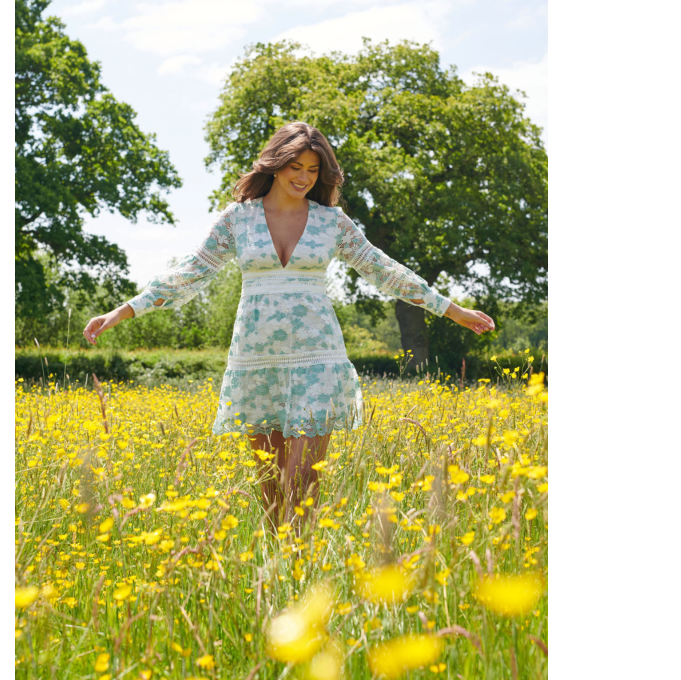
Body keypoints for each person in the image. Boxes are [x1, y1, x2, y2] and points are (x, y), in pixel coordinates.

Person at [84, 123, 495, 529]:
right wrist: (123, 311)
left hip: (318, 357)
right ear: (276, 164)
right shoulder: (237, 220)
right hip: (256, 361)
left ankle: (303, 564)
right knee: (271, 487)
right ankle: (279, 580)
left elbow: (381, 269)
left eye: (313, 170)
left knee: (301, 480)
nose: (303, 177)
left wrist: (452, 310)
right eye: (295, 166)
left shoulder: (331, 222)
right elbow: (190, 273)